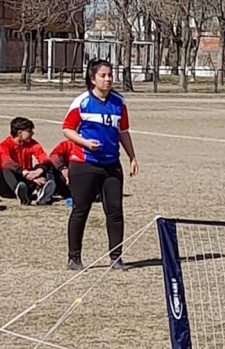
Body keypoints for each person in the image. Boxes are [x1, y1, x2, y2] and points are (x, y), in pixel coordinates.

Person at [62, 58, 139, 271]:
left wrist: (132, 157)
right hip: (84, 164)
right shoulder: (82, 102)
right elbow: (67, 129)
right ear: (92, 78)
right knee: (81, 210)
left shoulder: (119, 102)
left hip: (111, 164)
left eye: (110, 75)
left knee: (115, 211)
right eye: (103, 75)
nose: (107, 79)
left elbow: (123, 131)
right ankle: (74, 258)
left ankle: (116, 257)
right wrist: (85, 142)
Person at [0, 117, 56, 205]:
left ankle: (43, 193)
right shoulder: (5, 145)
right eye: (29, 131)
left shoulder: (32, 144)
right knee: (5, 168)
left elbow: (45, 159)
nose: (32, 133)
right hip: (8, 185)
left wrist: (38, 171)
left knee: (47, 166)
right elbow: (7, 162)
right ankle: (19, 192)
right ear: (19, 133)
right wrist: (25, 173)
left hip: (28, 180)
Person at [49, 139, 102, 203]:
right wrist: (63, 169)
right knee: (50, 167)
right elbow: (53, 156)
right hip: (66, 176)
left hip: (86, 175)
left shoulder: (94, 145)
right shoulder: (67, 144)